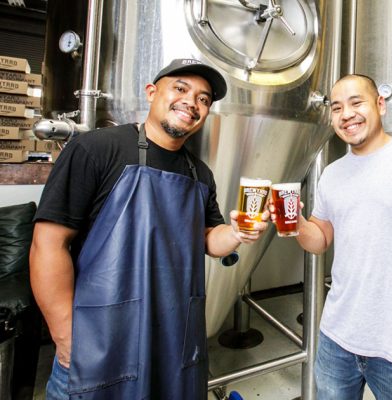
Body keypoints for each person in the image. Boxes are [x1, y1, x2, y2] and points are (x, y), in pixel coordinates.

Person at [29, 59, 269, 400]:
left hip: (173, 342)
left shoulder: (199, 173)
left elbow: (208, 239)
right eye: (181, 89)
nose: (192, 102)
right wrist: (66, 338)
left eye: (203, 99)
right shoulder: (98, 148)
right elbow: (48, 244)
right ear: (152, 92)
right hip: (100, 344)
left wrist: (237, 232)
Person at [271, 74, 392, 399]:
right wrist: (298, 223)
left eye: (356, 102)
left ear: (380, 105)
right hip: (336, 339)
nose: (346, 114)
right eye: (337, 108)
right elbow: (320, 240)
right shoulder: (332, 175)